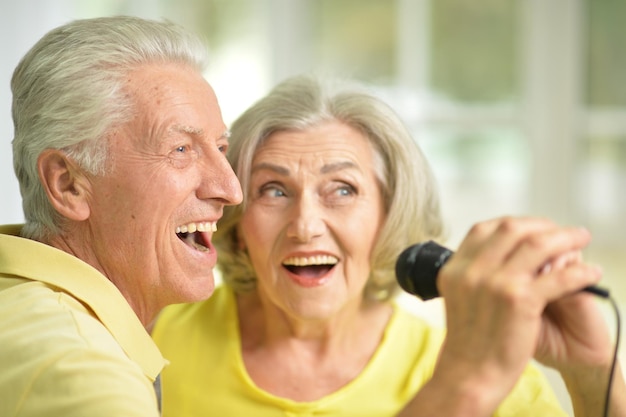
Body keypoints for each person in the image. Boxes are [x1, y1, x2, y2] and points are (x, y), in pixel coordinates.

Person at [152, 74, 626, 416]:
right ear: (235, 217)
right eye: (273, 190)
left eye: (342, 189)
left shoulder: (490, 377)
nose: (305, 226)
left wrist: (594, 375)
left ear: (389, 213)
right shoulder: (152, 341)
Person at [0, 16, 242, 417]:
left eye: (220, 147)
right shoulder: (86, 377)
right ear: (68, 184)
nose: (231, 189)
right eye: (181, 149)